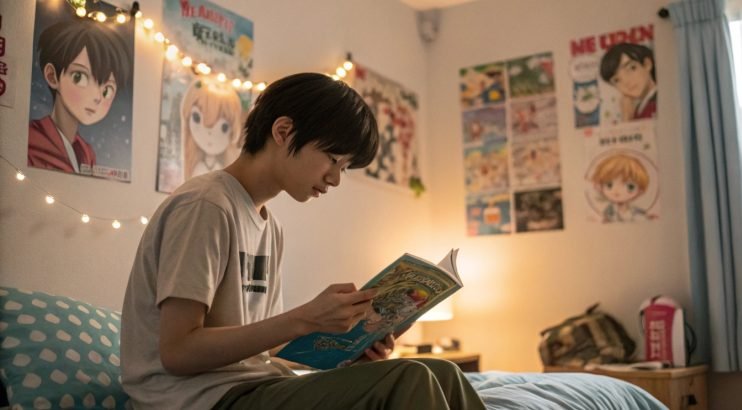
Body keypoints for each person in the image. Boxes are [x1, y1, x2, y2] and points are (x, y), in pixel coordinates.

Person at [121, 73, 485, 410]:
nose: (335, 179)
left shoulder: (269, 227)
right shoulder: (207, 205)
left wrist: (345, 349)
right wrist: (303, 319)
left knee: (443, 372)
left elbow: (257, 347)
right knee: (410, 377)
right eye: (332, 159)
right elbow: (178, 351)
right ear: (282, 131)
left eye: (343, 168)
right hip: (199, 401)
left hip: (252, 388)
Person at [28, 17, 131, 173]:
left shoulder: (86, 153)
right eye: (80, 77)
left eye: (107, 90)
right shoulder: (34, 142)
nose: (97, 97)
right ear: (52, 76)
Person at [181, 79, 243, 180]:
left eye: (224, 127)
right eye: (197, 118)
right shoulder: (195, 167)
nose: (209, 133)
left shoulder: (226, 172)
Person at [599, 42, 656, 121]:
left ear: (647, 64)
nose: (627, 81)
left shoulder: (657, 102)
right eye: (617, 80)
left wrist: (627, 118)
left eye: (632, 68)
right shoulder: (638, 108)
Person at [590, 152, 650, 222]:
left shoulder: (639, 213)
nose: (617, 191)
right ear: (600, 187)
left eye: (630, 187)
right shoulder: (607, 212)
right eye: (609, 185)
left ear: (640, 190)